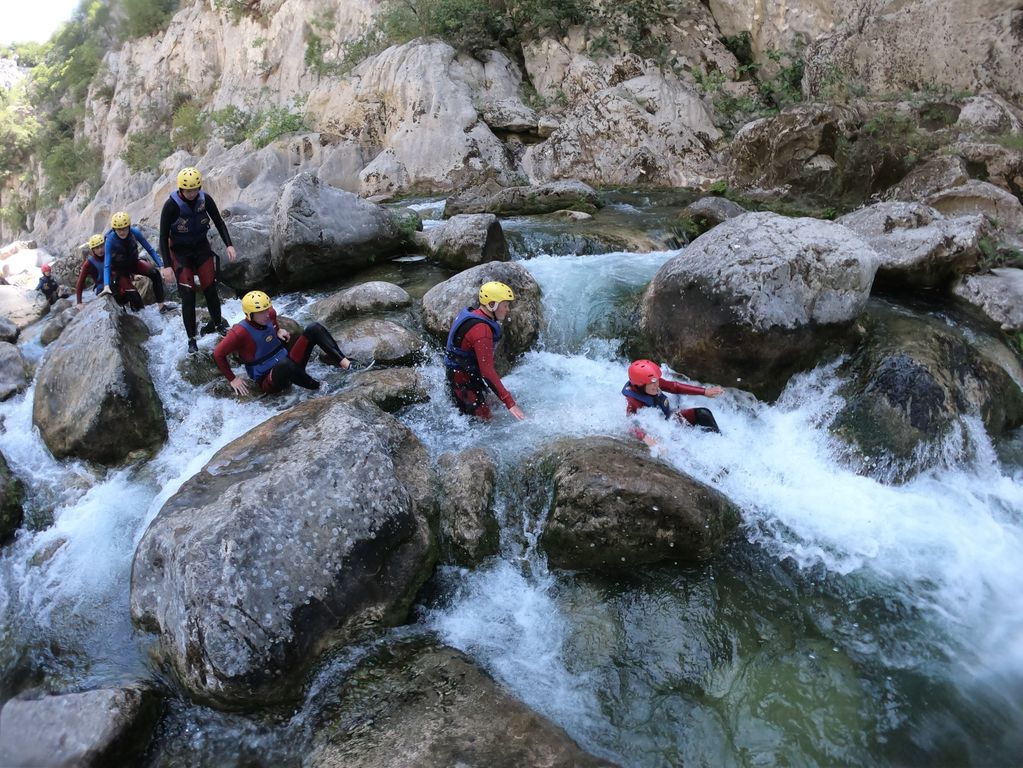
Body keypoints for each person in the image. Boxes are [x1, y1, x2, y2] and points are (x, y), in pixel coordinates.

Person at [213, 290, 352, 396]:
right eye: (260, 312)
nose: (266, 314)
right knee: (285, 365)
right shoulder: (239, 333)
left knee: (313, 328)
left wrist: (277, 330)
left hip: (289, 362)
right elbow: (218, 354)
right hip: (270, 379)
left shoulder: (270, 314)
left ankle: (346, 364)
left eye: (266, 309)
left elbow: (273, 323)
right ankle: (321, 387)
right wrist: (232, 379)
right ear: (249, 314)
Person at [160, 167, 237, 354]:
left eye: (195, 189)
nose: (192, 193)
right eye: (188, 190)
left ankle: (218, 324)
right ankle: (191, 338)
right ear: (181, 190)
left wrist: (229, 244)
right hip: (180, 253)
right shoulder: (171, 205)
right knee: (188, 296)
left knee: (210, 288)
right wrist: (167, 266)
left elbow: (219, 221)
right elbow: (162, 237)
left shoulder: (205, 199)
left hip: (201, 248)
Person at [444, 281, 526, 421]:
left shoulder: (474, 314)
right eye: (505, 305)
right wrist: (510, 403)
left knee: (494, 405)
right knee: (487, 420)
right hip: (462, 381)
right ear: (492, 305)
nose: (508, 310)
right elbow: (487, 372)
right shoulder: (482, 331)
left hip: (464, 375)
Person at [623, 359, 723, 445]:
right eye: (651, 384)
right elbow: (629, 424)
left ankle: (719, 443)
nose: (656, 385)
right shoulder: (631, 400)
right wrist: (645, 438)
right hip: (661, 431)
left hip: (669, 420)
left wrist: (704, 391)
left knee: (704, 413)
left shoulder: (652, 382)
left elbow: (675, 387)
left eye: (656, 381)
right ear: (639, 385)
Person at [100, 211, 171, 312]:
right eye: (118, 229)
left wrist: (161, 266)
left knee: (155, 274)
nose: (122, 232)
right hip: (119, 271)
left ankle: (162, 306)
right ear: (114, 229)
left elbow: (150, 249)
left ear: (128, 226)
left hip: (133, 263)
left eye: (124, 228)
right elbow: (106, 264)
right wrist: (106, 285)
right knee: (133, 294)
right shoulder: (110, 240)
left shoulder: (135, 232)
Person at [74, 234, 106, 307]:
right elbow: (80, 282)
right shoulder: (88, 264)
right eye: (97, 248)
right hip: (102, 289)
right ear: (93, 250)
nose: (100, 250)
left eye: (101, 246)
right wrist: (79, 302)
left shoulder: (109, 255)